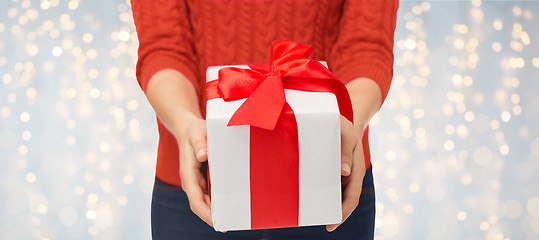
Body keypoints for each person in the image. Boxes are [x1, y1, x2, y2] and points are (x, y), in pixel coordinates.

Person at [131, 0, 398, 239]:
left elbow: (368, 46)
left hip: (331, 174)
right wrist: (185, 121)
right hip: (198, 182)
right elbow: (162, 47)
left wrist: (349, 121)